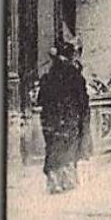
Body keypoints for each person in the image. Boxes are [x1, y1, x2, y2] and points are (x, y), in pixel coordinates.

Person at [37, 40, 92, 193]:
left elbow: (40, 100)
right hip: (70, 118)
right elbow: (83, 101)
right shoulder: (76, 77)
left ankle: (54, 181)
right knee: (69, 148)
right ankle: (66, 181)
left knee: (53, 147)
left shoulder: (47, 77)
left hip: (50, 120)